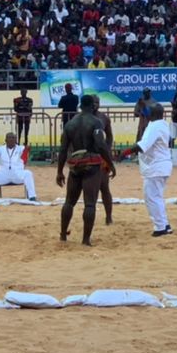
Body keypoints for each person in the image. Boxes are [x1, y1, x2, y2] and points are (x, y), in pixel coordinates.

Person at [55, 94, 116, 246]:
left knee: (69, 202)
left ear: (80, 106)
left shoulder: (70, 124)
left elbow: (63, 150)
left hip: (75, 165)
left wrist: (59, 171)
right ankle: (85, 239)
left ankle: (63, 235)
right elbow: (101, 145)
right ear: (92, 106)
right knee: (90, 204)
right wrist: (111, 163)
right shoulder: (96, 122)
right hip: (92, 165)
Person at [131, 102, 172, 237]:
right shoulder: (163, 124)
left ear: (151, 114)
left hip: (156, 167)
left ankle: (160, 227)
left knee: (151, 198)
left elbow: (143, 146)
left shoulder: (154, 127)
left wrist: (124, 153)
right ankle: (165, 224)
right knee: (157, 197)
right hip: (161, 166)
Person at [91, 97, 116, 224]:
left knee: (104, 187)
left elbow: (110, 136)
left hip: (101, 156)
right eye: (93, 103)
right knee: (91, 189)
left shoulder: (104, 118)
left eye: (97, 103)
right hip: (89, 156)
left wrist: (107, 149)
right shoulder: (84, 118)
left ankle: (109, 216)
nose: (96, 105)